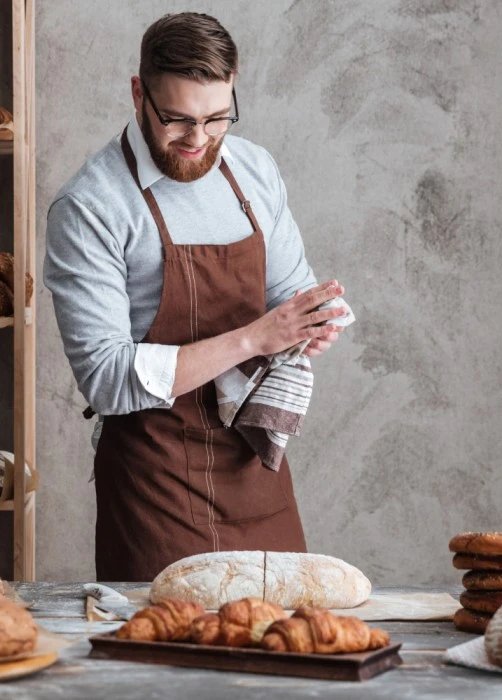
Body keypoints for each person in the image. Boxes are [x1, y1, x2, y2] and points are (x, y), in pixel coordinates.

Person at [44, 12, 348, 582]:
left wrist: (310, 324)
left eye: (217, 118)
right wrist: (257, 337)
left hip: (255, 471)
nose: (198, 140)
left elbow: (289, 295)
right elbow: (106, 379)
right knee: (171, 661)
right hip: (156, 484)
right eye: (178, 119)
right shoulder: (91, 206)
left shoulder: (254, 170)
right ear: (139, 93)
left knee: (285, 652)